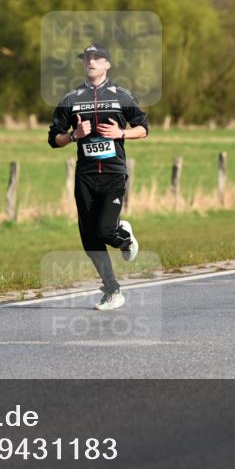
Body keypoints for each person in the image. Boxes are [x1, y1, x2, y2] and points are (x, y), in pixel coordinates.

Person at [48, 43, 149, 310]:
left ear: (107, 64)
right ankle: (112, 291)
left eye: (97, 58)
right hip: (86, 175)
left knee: (104, 230)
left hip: (113, 173)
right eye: (87, 58)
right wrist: (74, 136)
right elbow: (53, 139)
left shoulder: (122, 96)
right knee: (89, 238)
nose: (91, 62)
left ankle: (123, 236)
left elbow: (143, 128)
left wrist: (121, 134)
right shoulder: (71, 99)